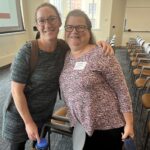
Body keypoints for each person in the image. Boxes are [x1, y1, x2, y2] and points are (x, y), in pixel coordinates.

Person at [2, 3, 113, 150]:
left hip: (44, 113)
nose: (47, 24)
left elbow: (84, 47)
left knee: (39, 146)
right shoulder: (27, 52)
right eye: (41, 20)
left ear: (60, 22)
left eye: (52, 18)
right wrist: (28, 122)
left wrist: (99, 45)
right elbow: (16, 91)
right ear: (36, 25)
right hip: (20, 116)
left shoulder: (64, 48)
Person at [59, 9, 134, 150]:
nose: (74, 31)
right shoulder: (66, 54)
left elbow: (122, 90)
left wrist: (129, 123)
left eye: (80, 27)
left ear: (89, 30)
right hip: (80, 124)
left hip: (107, 126)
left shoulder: (102, 53)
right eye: (70, 27)